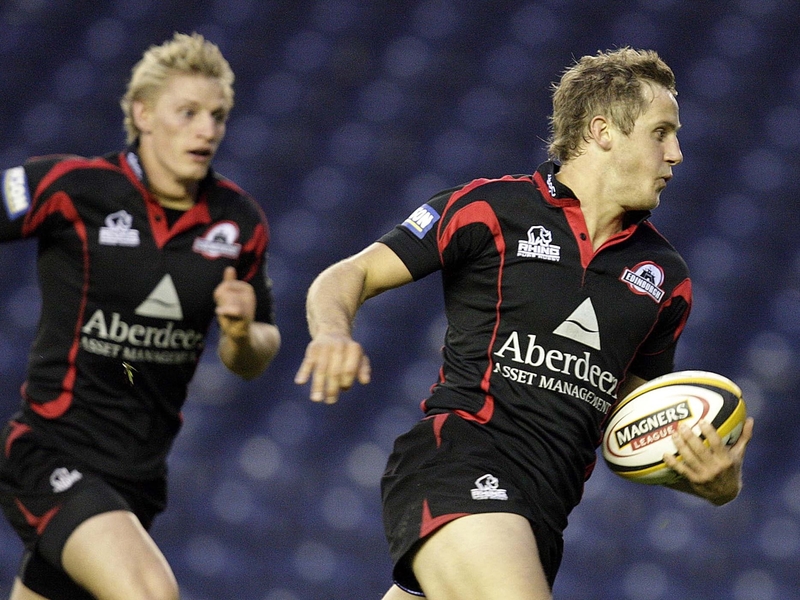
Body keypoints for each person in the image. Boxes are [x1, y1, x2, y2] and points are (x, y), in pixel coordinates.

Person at [295, 47, 754, 600]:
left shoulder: (666, 278)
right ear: (603, 130)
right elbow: (349, 275)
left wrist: (713, 481)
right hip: (460, 464)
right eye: (662, 132)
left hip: (541, 518)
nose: (677, 154)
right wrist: (332, 333)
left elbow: (636, 415)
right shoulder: (491, 208)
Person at [0, 32, 280, 600]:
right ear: (143, 113)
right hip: (51, 451)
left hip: (139, 479)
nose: (207, 130)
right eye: (190, 113)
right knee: (150, 592)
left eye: (218, 116)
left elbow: (250, 359)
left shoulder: (239, 221)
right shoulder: (73, 187)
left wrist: (242, 332)